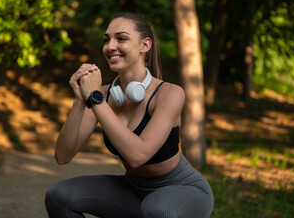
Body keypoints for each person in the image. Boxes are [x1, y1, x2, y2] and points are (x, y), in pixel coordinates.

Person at [45, 12, 214, 218]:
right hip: (133, 189)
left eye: (121, 38)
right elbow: (63, 155)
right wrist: (81, 101)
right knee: (59, 195)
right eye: (107, 40)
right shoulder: (103, 95)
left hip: (182, 191)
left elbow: (137, 156)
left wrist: (95, 99)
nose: (110, 46)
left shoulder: (169, 93)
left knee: (158, 210)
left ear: (145, 45)